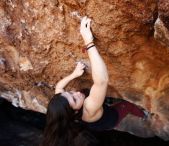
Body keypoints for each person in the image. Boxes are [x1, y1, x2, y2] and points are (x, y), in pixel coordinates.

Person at [42, 16, 148, 146]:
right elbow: (101, 81)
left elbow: (58, 87)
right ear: (75, 111)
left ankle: (106, 101)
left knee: (91, 96)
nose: (76, 93)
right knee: (126, 106)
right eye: (74, 99)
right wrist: (89, 42)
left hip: (96, 120)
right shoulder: (89, 108)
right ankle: (144, 115)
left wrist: (74, 74)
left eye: (69, 92)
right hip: (110, 120)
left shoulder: (65, 108)